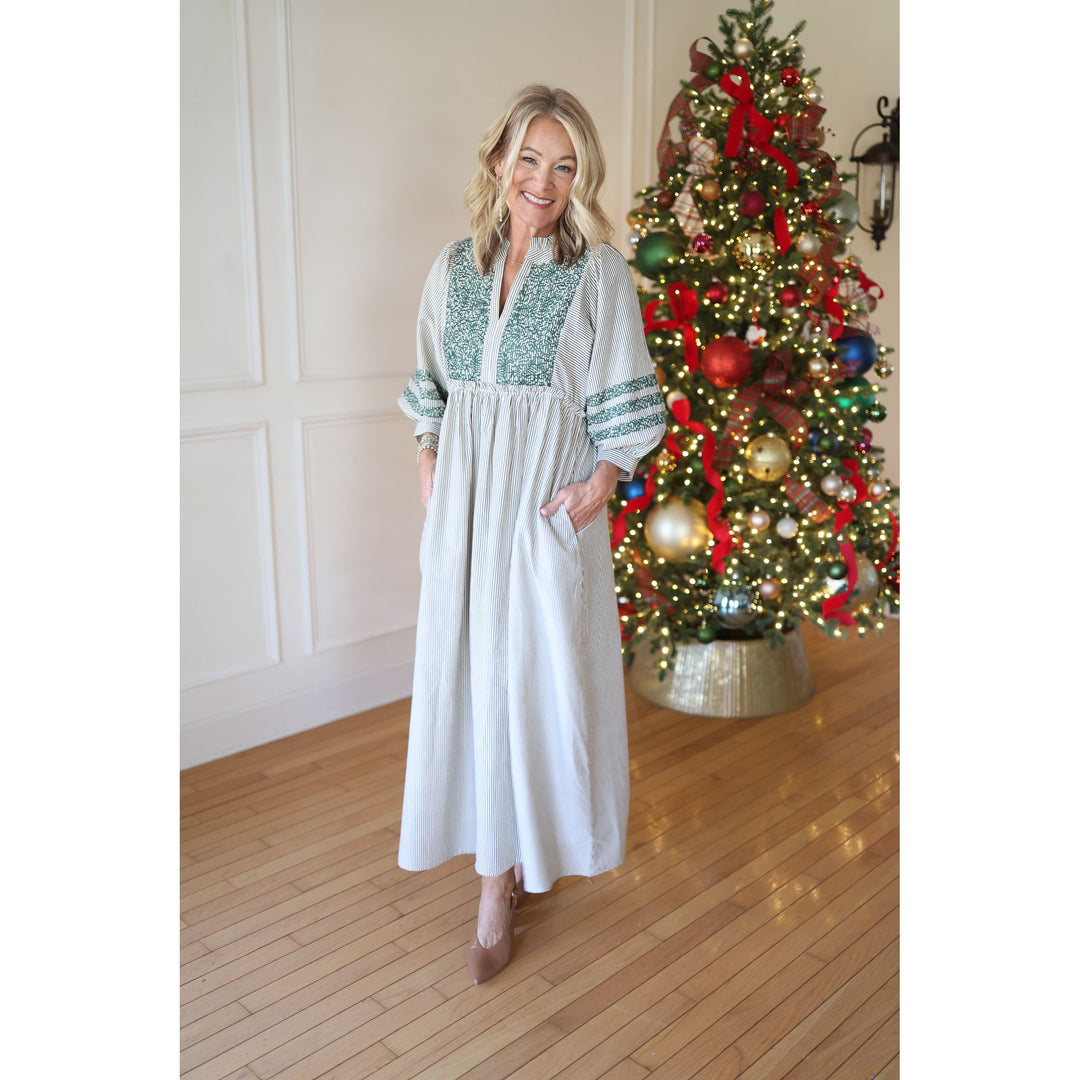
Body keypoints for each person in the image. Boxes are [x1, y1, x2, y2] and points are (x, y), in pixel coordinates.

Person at [397, 84, 666, 985]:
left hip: (549, 509)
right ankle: (491, 876)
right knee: (472, 683)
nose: (543, 181)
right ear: (498, 161)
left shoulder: (598, 274)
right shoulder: (451, 269)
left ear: (580, 177)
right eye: (529, 159)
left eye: (564, 166)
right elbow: (429, 379)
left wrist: (604, 480)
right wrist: (429, 452)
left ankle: (511, 870)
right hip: (467, 514)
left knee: (532, 686)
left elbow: (625, 400)